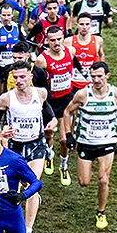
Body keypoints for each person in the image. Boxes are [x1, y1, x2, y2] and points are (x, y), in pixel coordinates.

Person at [62, 62, 117, 229]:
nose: (96, 80)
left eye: (99, 76)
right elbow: (67, 112)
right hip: (86, 143)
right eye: (93, 76)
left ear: (107, 76)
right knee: (84, 182)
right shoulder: (83, 95)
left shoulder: (116, 93)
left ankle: (101, 212)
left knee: (103, 180)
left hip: (107, 142)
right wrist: (68, 135)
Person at [0, 62, 55, 233]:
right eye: (15, 77)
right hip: (15, 147)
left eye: (22, 77)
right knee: (18, 186)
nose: (19, 81)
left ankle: (27, 230)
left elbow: (48, 114)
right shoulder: (6, 98)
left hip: (36, 144)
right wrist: (1, 133)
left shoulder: (41, 93)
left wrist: (52, 122)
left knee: (31, 186)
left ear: (30, 76)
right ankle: (33, 201)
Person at [34, 27, 75, 184]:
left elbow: (74, 65)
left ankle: (63, 166)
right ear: (47, 41)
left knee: (64, 139)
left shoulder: (70, 52)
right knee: (48, 134)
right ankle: (49, 155)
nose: (56, 43)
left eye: (59, 39)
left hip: (66, 101)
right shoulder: (41, 60)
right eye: (52, 40)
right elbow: (38, 85)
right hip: (50, 103)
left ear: (63, 38)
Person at [69, 13, 105, 92]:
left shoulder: (98, 40)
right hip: (73, 82)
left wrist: (102, 72)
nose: (84, 27)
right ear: (77, 25)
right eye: (81, 24)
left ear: (91, 25)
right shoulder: (68, 41)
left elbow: (101, 54)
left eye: (87, 24)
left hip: (91, 82)